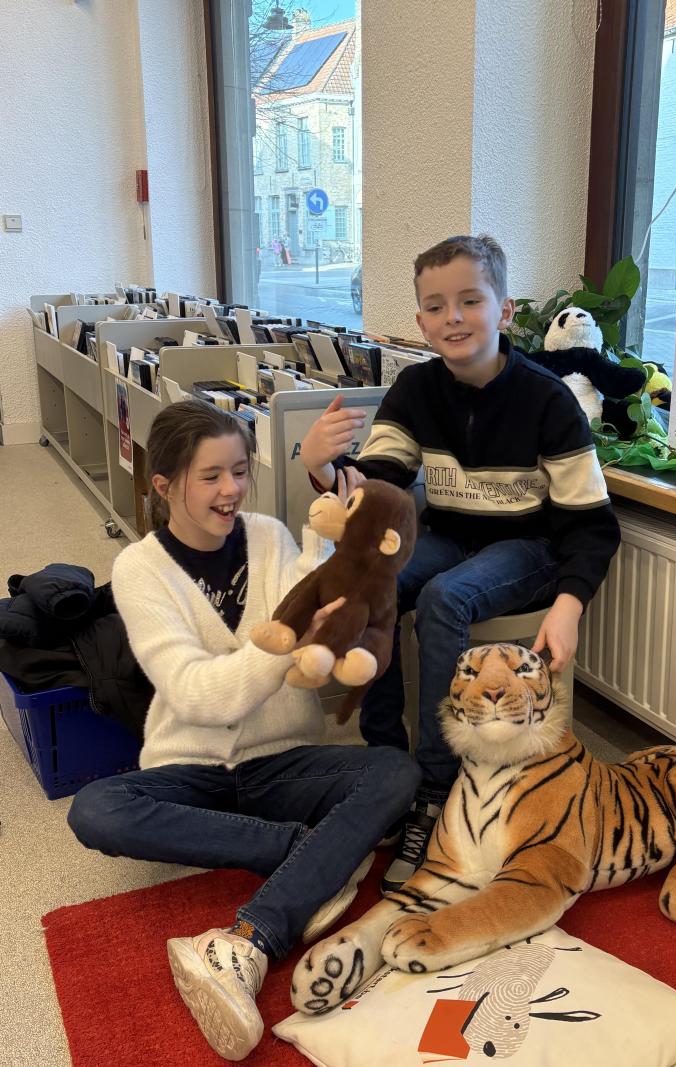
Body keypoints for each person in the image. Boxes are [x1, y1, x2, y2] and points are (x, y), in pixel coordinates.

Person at [67, 400, 420, 1061]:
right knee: (96, 809)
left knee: (396, 770)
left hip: (282, 761)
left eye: (238, 471)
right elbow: (197, 695)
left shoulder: (267, 535)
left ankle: (250, 938)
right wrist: (292, 642)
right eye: (210, 476)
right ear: (164, 485)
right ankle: (307, 853)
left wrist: (330, 534)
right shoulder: (140, 570)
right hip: (192, 765)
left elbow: (315, 601)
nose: (230, 489)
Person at [299, 234, 621, 894]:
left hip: (531, 547)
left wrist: (570, 603)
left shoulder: (548, 400)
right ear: (421, 322)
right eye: (436, 306)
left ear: (505, 310)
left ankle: (434, 788)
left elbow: (591, 523)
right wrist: (322, 466)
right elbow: (379, 485)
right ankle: (385, 763)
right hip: (451, 535)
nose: (453, 317)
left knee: (443, 597)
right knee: (378, 577)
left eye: (471, 300)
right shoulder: (416, 388)